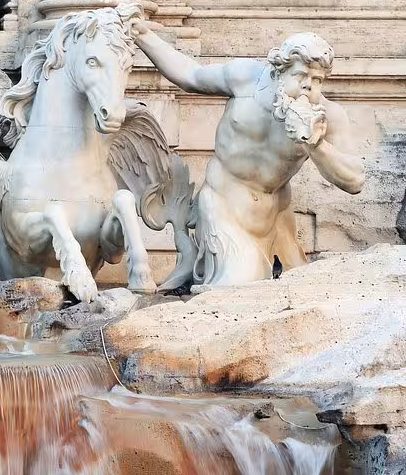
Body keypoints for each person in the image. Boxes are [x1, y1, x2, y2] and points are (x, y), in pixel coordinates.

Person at [132, 25, 365, 285]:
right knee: (240, 288)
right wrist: (142, 34)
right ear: (280, 71)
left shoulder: (327, 116)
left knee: (291, 294)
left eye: (317, 80)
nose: (308, 87)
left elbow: (354, 180)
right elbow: (191, 75)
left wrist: (315, 144)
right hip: (224, 207)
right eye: (301, 76)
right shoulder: (245, 78)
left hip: (276, 219)